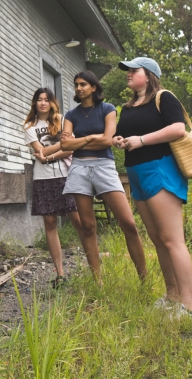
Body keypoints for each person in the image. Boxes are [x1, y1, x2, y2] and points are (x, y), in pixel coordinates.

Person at [112, 57, 192, 319]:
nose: (128, 74)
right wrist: (119, 139)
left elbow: (178, 129)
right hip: (136, 172)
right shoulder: (127, 107)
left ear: (148, 75)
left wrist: (141, 140)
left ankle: (188, 307)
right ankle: (172, 297)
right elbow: (126, 134)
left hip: (159, 169)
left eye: (133, 70)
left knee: (173, 240)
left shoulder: (164, 97)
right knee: (158, 239)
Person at [59, 70, 148, 284]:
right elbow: (64, 145)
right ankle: (97, 281)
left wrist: (79, 140)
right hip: (79, 168)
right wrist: (90, 137)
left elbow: (108, 140)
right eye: (76, 84)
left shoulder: (107, 109)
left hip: (104, 167)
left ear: (94, 87)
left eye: (83, 84)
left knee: (128, 223)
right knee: (87, 226)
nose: (79, 88)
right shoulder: (71, 115)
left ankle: (144, 279)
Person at [24, 87, 82, 285]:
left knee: (78, 219)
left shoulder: (62, 119)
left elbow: (68, 148)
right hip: (43, 179)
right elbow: (39, 153)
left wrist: (50, 154)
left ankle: (94, 262)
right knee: (50, 223)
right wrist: (60, 148)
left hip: (66, 176)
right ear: (35, 103)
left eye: (46, 99)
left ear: (51, 102)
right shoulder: (30, 126)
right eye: (39, 99)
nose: (43, 103)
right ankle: (60, 273)